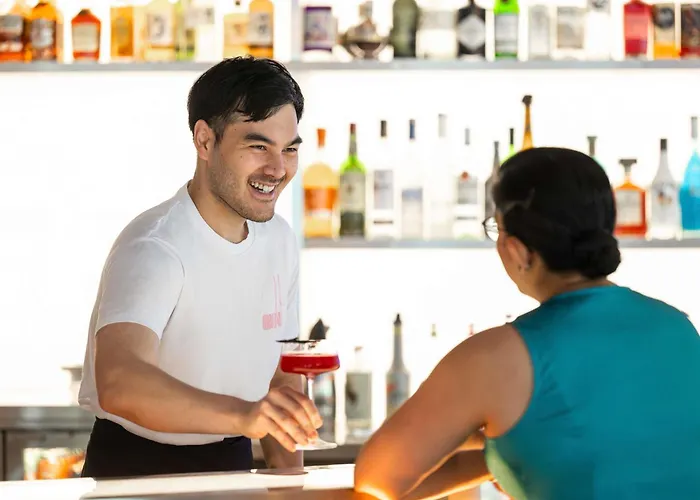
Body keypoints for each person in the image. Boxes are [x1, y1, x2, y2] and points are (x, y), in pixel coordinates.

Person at [354, 147, 700, 500]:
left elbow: (375, 477)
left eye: (496, 229)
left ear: (519, 250)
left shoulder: (495, 357)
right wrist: (513, 451)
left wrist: (494, 444)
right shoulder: (681, 330)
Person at [78, 56, 322, 479]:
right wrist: (245, 415)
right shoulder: (155, 246)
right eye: (258, 146)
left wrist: (290, 485)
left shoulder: (279, 240)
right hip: (134, 472)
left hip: (232, 465)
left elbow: (281, 380)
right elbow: (120, 381)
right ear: (205, 141)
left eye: (289, 150)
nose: (278, 169)